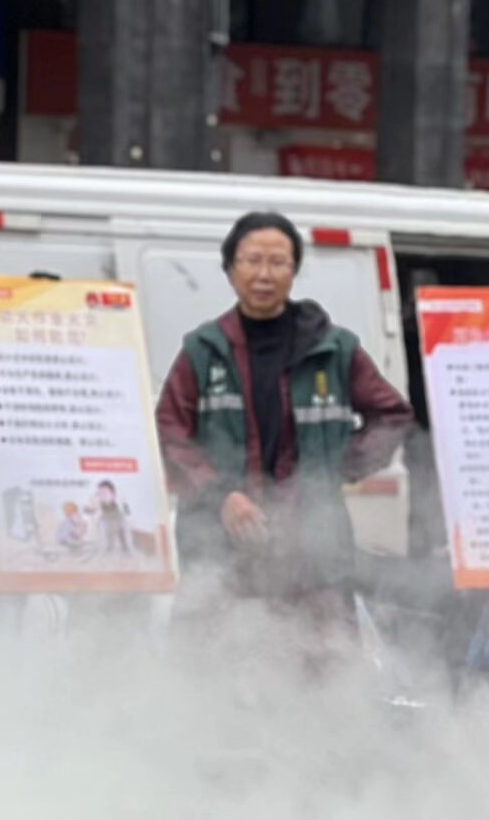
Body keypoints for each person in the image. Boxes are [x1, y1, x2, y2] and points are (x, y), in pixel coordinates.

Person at [155, 211, 411, 605]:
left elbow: (392, 415)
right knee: (214, 663)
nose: (264, 275)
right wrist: (221, 495)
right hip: (222, 553)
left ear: (294, 271)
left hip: (314, 558)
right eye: (252, 261)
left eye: (278, 263)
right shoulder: (203, 351)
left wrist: (335, 466)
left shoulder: (333, 348)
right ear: (230, 268)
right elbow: (169, 429)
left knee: (323, 662)